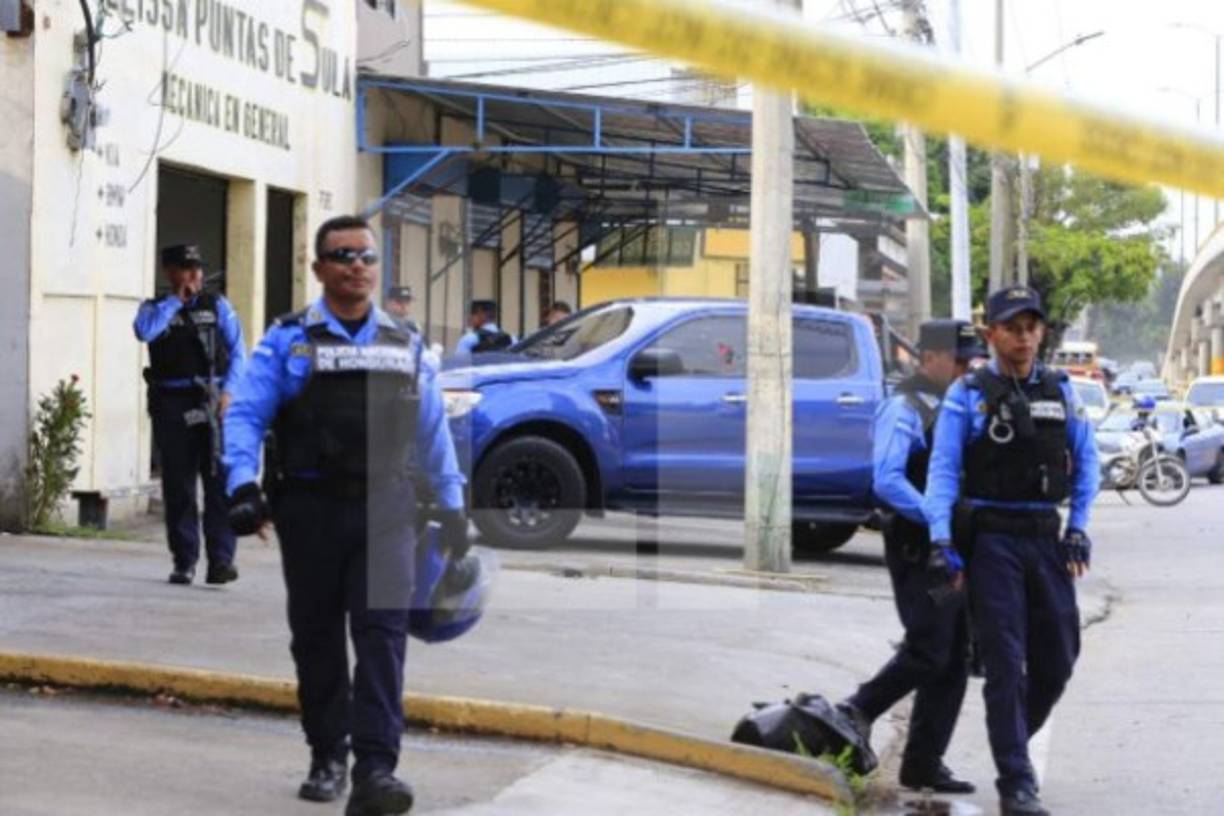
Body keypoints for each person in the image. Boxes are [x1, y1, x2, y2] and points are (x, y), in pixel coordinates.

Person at [222, 215, 469, 816]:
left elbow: (432, 429)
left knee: (382, 637)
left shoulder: (405, 344)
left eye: (365, 256)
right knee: (318, 638)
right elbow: (247, 414)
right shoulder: (289, 341)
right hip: (308, 510)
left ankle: (377, 770)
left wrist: (455, 507)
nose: (355, 266)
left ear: (377, 267)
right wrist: (242, 484)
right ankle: (327, 752)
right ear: (318, 268)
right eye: (341, 256)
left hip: (387, 508)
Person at [923, 287, 1100, 816]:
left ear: (1041, 332)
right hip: (992, 541)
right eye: (1012, 327)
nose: (1023, 336)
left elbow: (1087, 464)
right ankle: (1015, 783)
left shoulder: (1061, 389)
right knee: (1003, 662)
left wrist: (1079, 527)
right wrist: (940, 539)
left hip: (1045, 539)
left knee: (1058, 659)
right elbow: (944, 470)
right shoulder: (968, 393)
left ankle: (1014, 740)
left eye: (1031, 326)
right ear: (992, 334)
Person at [836, 320, 986, 795]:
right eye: (959, 359)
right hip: (917, 545)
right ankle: (856, 709)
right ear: (931, 358)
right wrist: (936, 518)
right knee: (930, 647)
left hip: (952, 548)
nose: (967, 367)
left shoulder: (956, 404)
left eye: (971, 360)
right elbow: (887, 477)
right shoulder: (904, 405)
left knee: (955, 654)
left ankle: (922, 763)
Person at [133, 244, 245, 585]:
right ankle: (184, 561)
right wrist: (173, 303)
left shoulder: (218, 306)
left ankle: (221, 562)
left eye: (197, 268)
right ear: (170, 271)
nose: (194, 275)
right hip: (173, 402)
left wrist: (230, 393)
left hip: (214, 401)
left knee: (219, 484)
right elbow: (144, 332)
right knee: (179, 486)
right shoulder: (154, 308)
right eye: (186, 268)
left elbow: (239, 352)